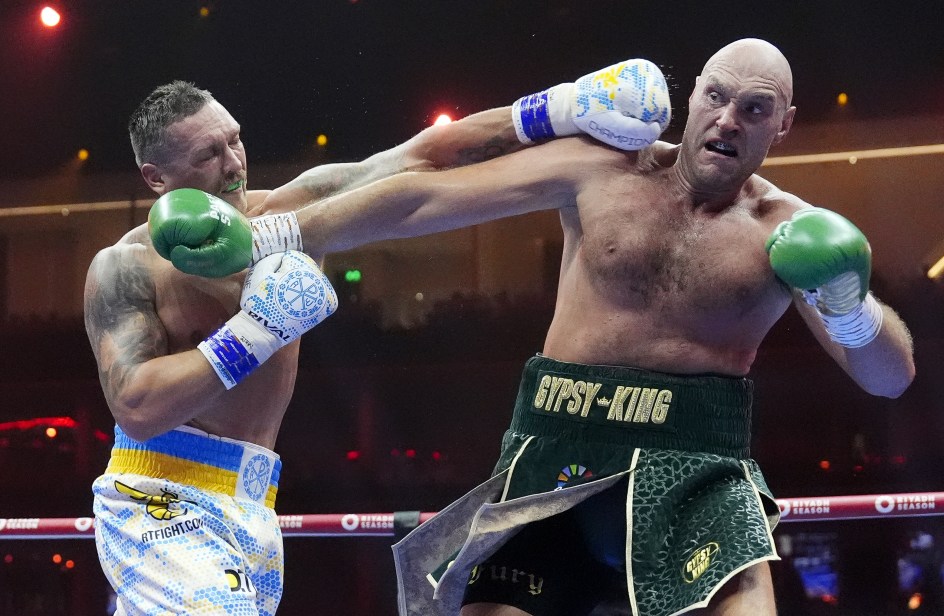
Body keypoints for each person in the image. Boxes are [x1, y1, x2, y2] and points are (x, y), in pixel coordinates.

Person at [151, 39, 915, 615]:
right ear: (693, 97)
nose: (727, 120)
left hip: (697, 473)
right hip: (555, 456)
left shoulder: (793, 232)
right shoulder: (601, 168)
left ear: (782, 124)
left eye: (754, 109)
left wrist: (852, 306)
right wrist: (275, 237)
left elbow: (889, 376)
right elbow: (425, 196)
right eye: (716, 96)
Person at [83, 62, 668, 616]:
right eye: (207, 155)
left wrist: (561, 108)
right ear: (156, 178)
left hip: (253, 500)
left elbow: (418, 158)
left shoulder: (284, 221)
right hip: (160, 495)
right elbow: (136, 405)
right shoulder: (127, 266)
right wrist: (255, 331)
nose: (234, 164)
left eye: (233, 140)